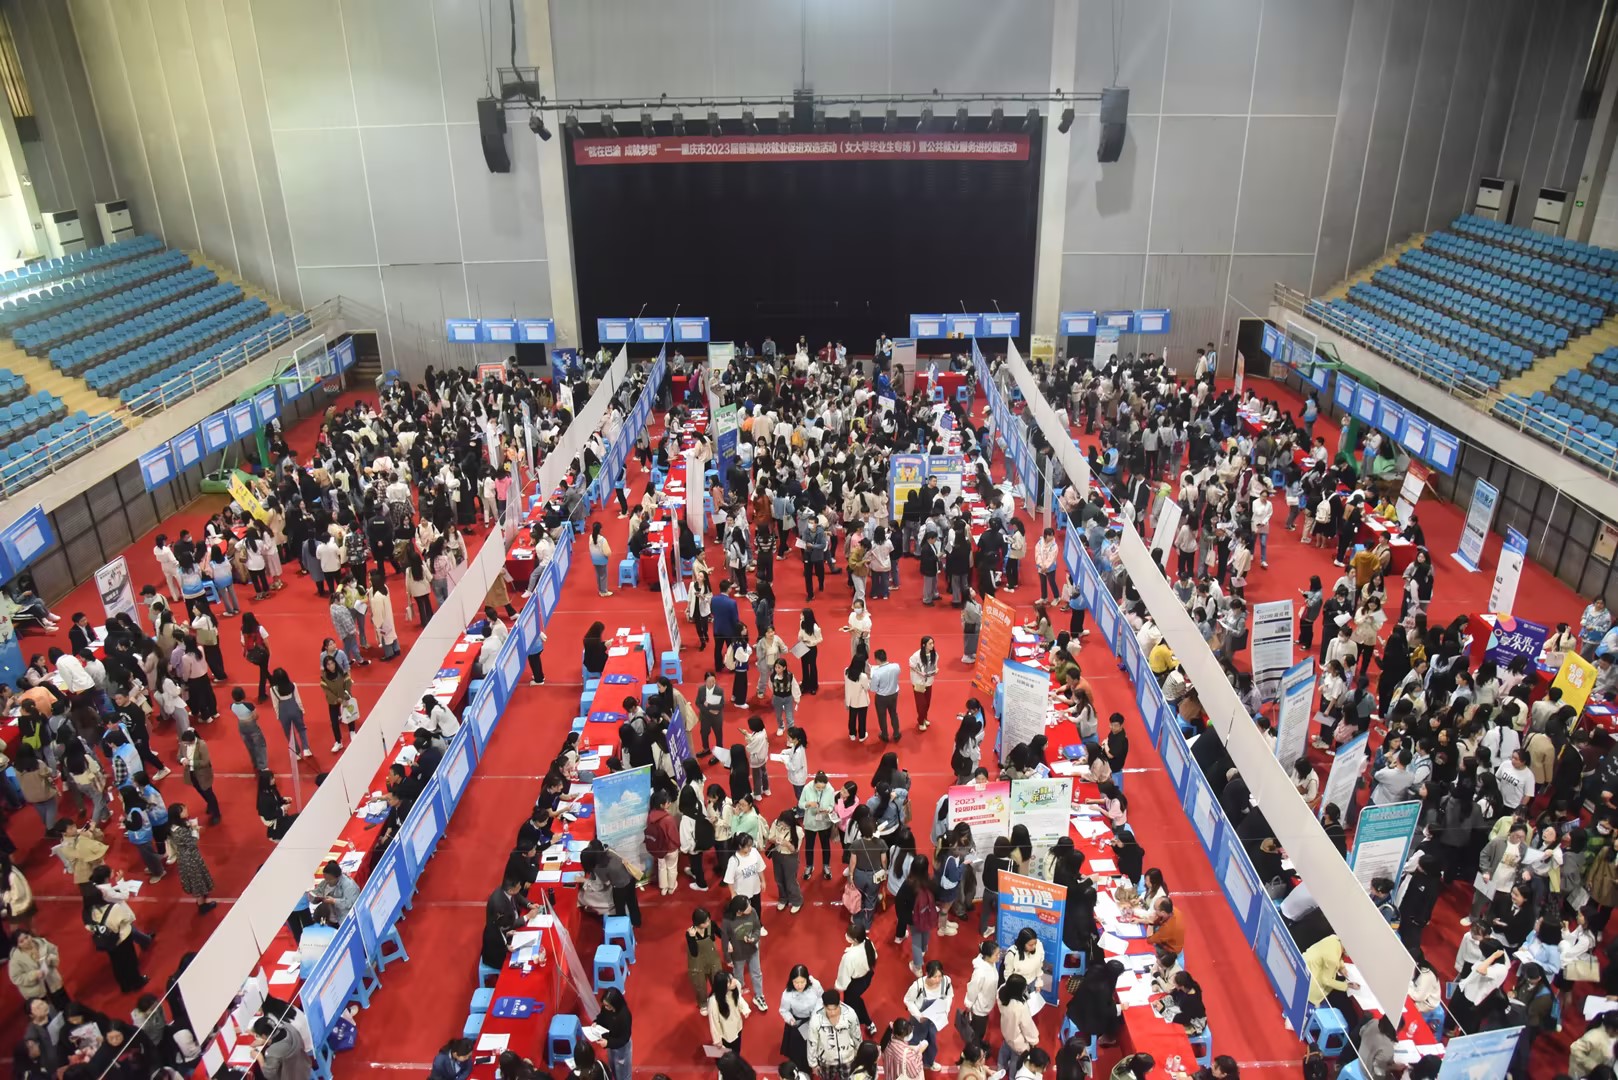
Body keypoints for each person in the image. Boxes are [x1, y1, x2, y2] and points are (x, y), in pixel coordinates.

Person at [83, 885, 145, 992]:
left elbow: (90, 928)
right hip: (122, 939)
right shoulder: (113, 908)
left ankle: (125, 986)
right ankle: (137, 982)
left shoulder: (87, 915)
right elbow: (127, 919)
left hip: (108, 942)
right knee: (130, 961)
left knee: (117, 964)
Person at [167, 802, 217, 914]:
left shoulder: (175, 826)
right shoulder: (179, 831)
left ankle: (202, 896)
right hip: (190, 859)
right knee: (196, 880)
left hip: (187, 856)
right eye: (183, 810)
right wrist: (194, 830)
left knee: (197, 878)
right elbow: (192, 843)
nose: (186, 810)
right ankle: (202, 905)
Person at [778, 965, 825, 1072]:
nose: (799, 986)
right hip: (798, 1023)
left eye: (802, 982)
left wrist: (816, 1014)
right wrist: (790, 1019)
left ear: (807, 980)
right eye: (796, 982)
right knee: (799, 1051)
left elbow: (821, 998)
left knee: (815, 1046)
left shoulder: (815, 985)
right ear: (791, 981)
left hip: (814, 1019)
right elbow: (784, 1010)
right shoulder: (787, 994)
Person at [7, 931, 68, 1011]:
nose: (26, 941)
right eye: (21, 941)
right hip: (36, 992)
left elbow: (55, 952)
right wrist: (34, 975)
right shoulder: (15, 959)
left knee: (65, 1006)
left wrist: (51, 958)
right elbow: (16, 978)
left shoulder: (42, 943)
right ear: (17, 945)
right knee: (46, 1012)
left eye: (26, 937)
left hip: (53, 982)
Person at [807, 990, 862, 1080]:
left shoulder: (850, 1013)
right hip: (826, 1060)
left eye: (835, 1009)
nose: (832, 1012)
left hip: (848, 1058)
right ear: (824, 1006)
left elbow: (857, 1035)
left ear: (839, 1004)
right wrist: (813, 1064)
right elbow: (812, 1042)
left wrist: (859, 1054)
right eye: (829, 1009)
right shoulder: (816, 1019)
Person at [687, 908, 725, 1014]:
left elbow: (721, 934)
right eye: (705, 922)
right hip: (698, 962)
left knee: (717, 979)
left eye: (708, 920)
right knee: (700, 984)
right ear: (698, 923)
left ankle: (717, 999)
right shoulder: (690, 933)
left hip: (712, 958)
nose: (708, 923)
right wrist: (692, 938)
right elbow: (694, 952)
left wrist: (729, 942)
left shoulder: (711, 925)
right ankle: (703, 1003)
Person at [251, 1016, 310, 1080]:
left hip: (291, 1076)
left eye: (258, 1036)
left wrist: (259, 1057)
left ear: (263, 1036)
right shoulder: (289, 1027)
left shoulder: (273, 1052)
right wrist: (267, 1041)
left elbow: (269, 1075)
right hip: (304, 1065)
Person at [593, 988, 633, 1080]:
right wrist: (596, 1022)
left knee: (623, 1073)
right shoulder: (606, 1008)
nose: (606, 1008)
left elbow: (624, 1039)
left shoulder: (625, 1016)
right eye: (605, 1005)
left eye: (608, 1006)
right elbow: (602, 1017)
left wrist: (608, 1043)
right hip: (610, 1042)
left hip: (621, 1048)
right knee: (613, 1068)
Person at [707, 970, 751, 1053]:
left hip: (737, 1026)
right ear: (722, 986)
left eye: (732, 978)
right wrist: (717, 1040)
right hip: (726, 1033)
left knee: (737, 1049)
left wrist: (745, 1008)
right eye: (730, 982)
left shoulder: (735, 988)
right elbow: (714, 1022)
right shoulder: (714, 1001)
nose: (734, 981)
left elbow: (739, 999)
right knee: (729, 1054)